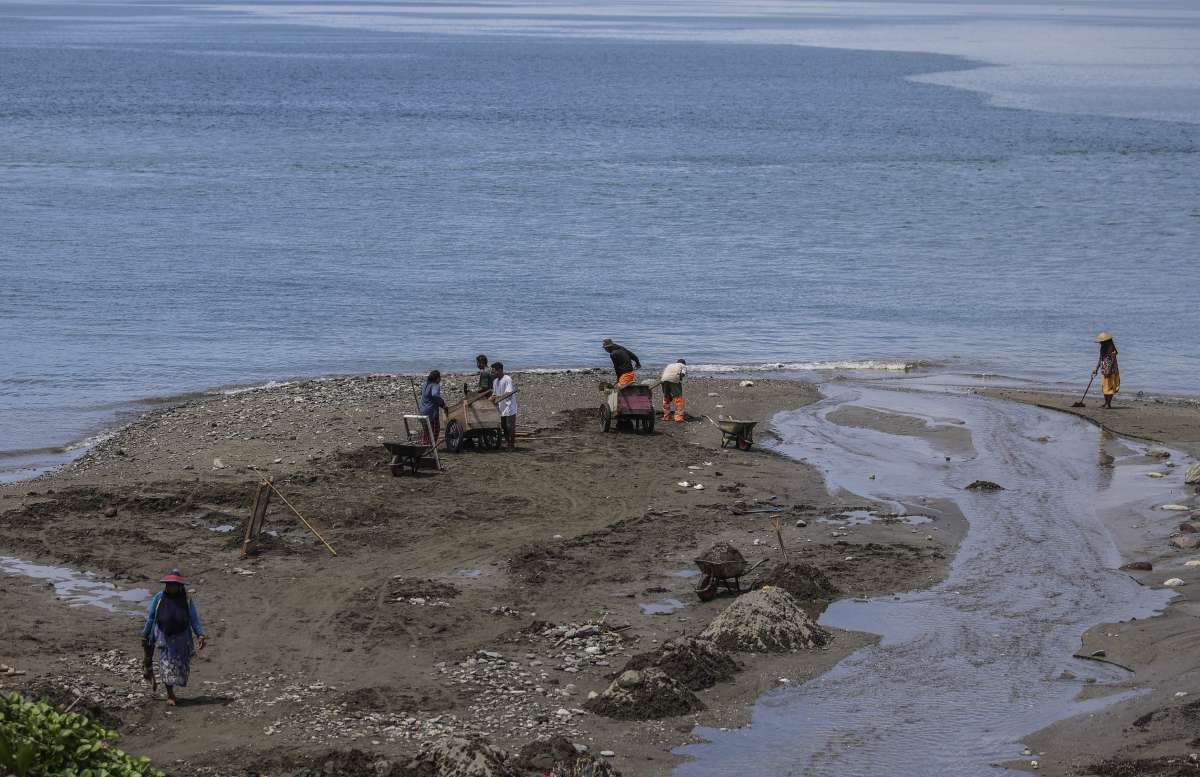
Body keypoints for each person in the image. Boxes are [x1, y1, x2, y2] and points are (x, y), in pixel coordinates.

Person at [141, 569, 206, 706]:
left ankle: (172, 689)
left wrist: (200, 634)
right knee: (166, 665)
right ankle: (170, 694)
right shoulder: (159, 598)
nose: (171, 587)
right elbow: (152, 617)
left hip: (182, 639)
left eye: (174, 585)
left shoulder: (187, 599)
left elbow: (194, 619)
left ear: (180, 586)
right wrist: (145, 633)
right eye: (169, 585)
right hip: (164, 638)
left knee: (180, 665)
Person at [490, 362, 518, 450]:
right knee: (504, 426)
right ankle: (508, 443)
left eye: (494, 371)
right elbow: (494, 394)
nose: (493, 373)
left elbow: (508, 393)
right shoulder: (495, 381)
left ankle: (511, 445)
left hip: (509, 407)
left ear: (500, 370)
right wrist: (491, 398)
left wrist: (496, 397)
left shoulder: (507, 379)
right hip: (501, 408)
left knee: (510, 427)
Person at [418, 370, 447, 443]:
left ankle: (425, 444)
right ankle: (431, 446)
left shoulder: (424, 384)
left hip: (422, 410)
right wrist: (443, 404)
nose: (440, 379)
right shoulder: (435, 385)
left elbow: (422, 394)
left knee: (426, 430)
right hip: (431, 412)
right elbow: (434, 395)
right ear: (437, 378)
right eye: (440, 377)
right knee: (435, 430)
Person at [1093, 332, 1120, 409]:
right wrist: (1096, 369)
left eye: (1101, 342)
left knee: (1110, 387)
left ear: (1106, 341)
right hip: (1104, 370)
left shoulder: (1112, 349)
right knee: (1104, 387)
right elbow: (1100, 359)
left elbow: (1113, 361)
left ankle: (1109, 404)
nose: (1100, 343)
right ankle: (1105, 403)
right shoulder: (1102, 348)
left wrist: (1109, 370)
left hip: (1111, 371)